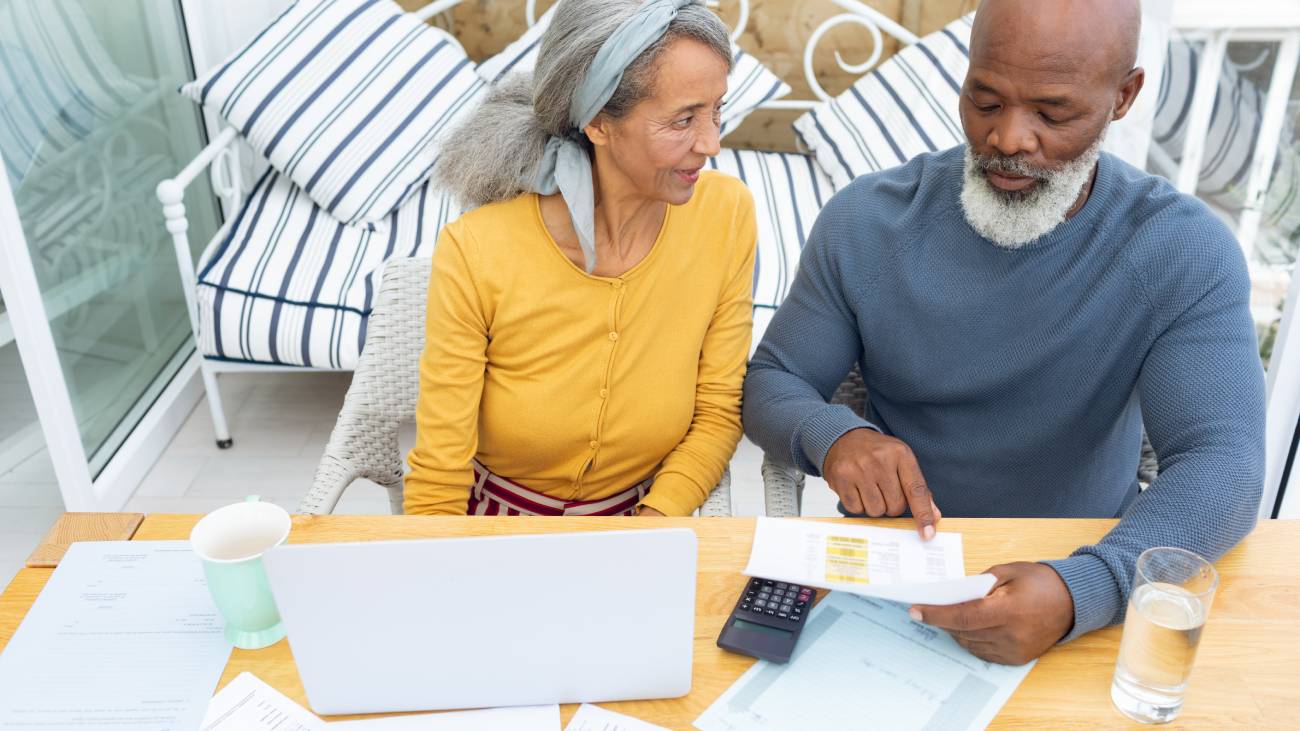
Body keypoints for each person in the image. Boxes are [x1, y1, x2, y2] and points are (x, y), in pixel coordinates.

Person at [743, 0, 1265, 665]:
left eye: (1052, 113)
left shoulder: (1178, 249)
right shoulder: (866, 223)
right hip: (892, 586)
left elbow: (1224, 461)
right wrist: (834, 434)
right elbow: (774, 380)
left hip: (1082, 581)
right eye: (985, 101)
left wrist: (1088, 587)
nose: (1009, 139)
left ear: (1124, 96)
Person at [404, 0, 757, 518]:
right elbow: (439, 474)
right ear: (596, 123)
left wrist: (655, 521)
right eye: (683, 119)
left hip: (647, 522)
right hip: (493, 532)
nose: (712, 143)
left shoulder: (726, 214)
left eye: (716, 110)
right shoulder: (476, 250)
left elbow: (718, 411)